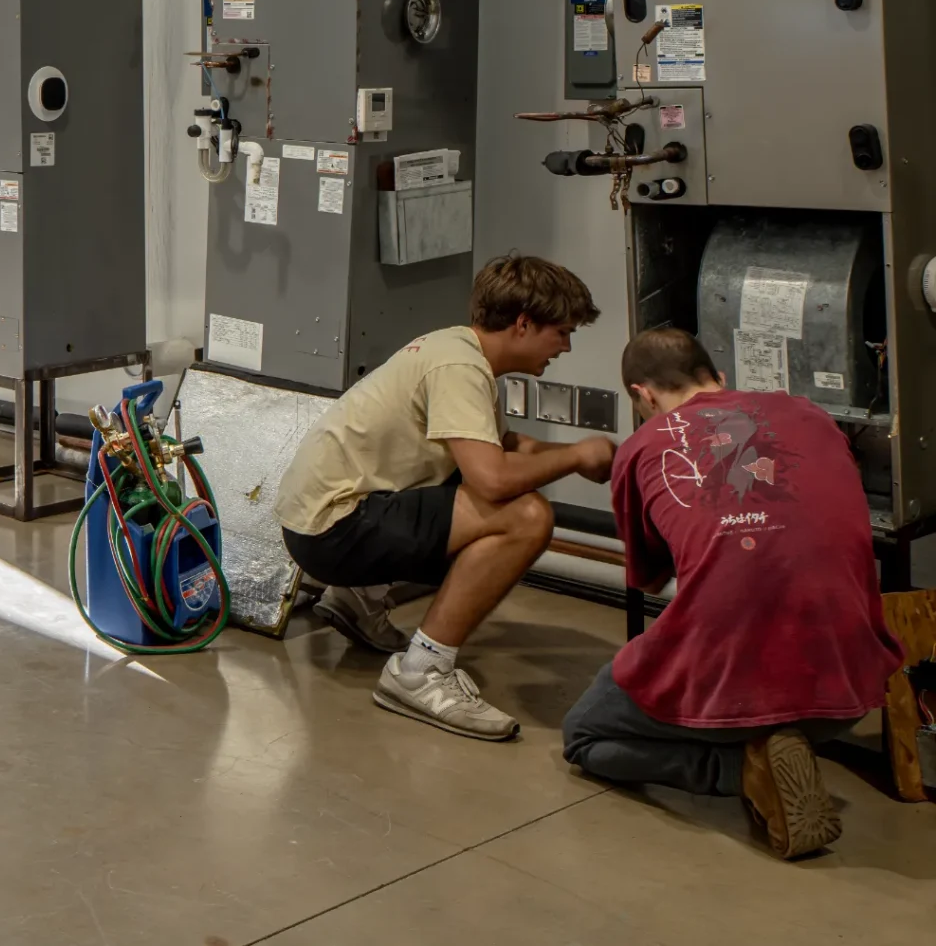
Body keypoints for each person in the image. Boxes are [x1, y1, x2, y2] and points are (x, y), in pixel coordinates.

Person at [560, 327, 901, 859]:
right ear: (719, 378)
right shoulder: (811, 415)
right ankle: (782, 739)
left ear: (643, 395)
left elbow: (650, 579)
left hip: (733, 685)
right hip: (847, 693)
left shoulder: (644, 446)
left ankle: (740, 768)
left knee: (584, 737)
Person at [276, 254, 613, 740]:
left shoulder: (457, 349)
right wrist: (579, 455)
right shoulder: (459, 366)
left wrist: (591, 456)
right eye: (562, 332)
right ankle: (421, 673)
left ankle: (357, 600)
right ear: (523, 324)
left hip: (324, 520)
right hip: (335, 529)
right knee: (526, 516)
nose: (565, 346)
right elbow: (493, 480)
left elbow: (509, 448)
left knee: (497, 484)